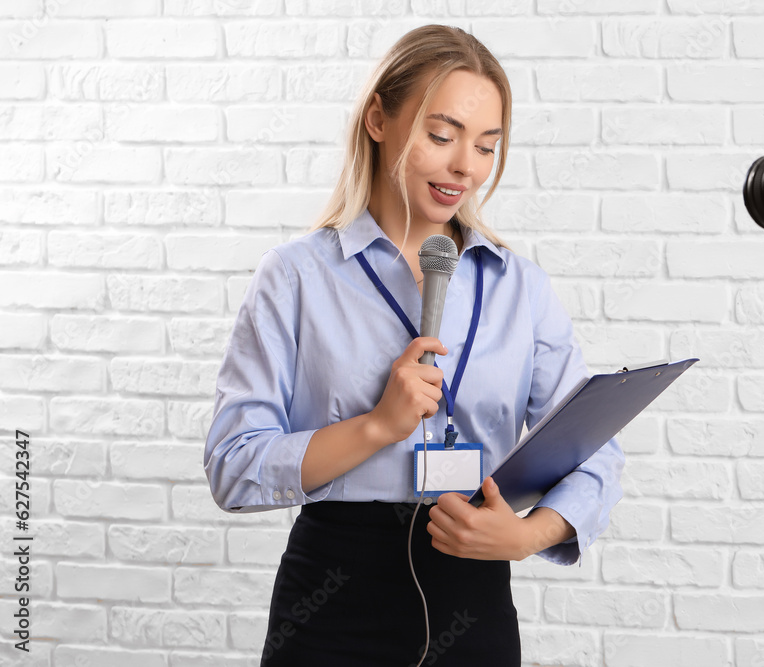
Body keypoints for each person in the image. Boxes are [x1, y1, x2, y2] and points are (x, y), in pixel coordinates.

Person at [203, 24, 624, 667]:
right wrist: (376, 427)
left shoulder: (520, 286)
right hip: (333, 600)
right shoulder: (294, 277)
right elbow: (234, 466)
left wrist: (524, 534)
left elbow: (593, 448)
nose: (466, 167)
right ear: (378, 119)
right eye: (441, 135)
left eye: (487, 146)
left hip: (473, 591)